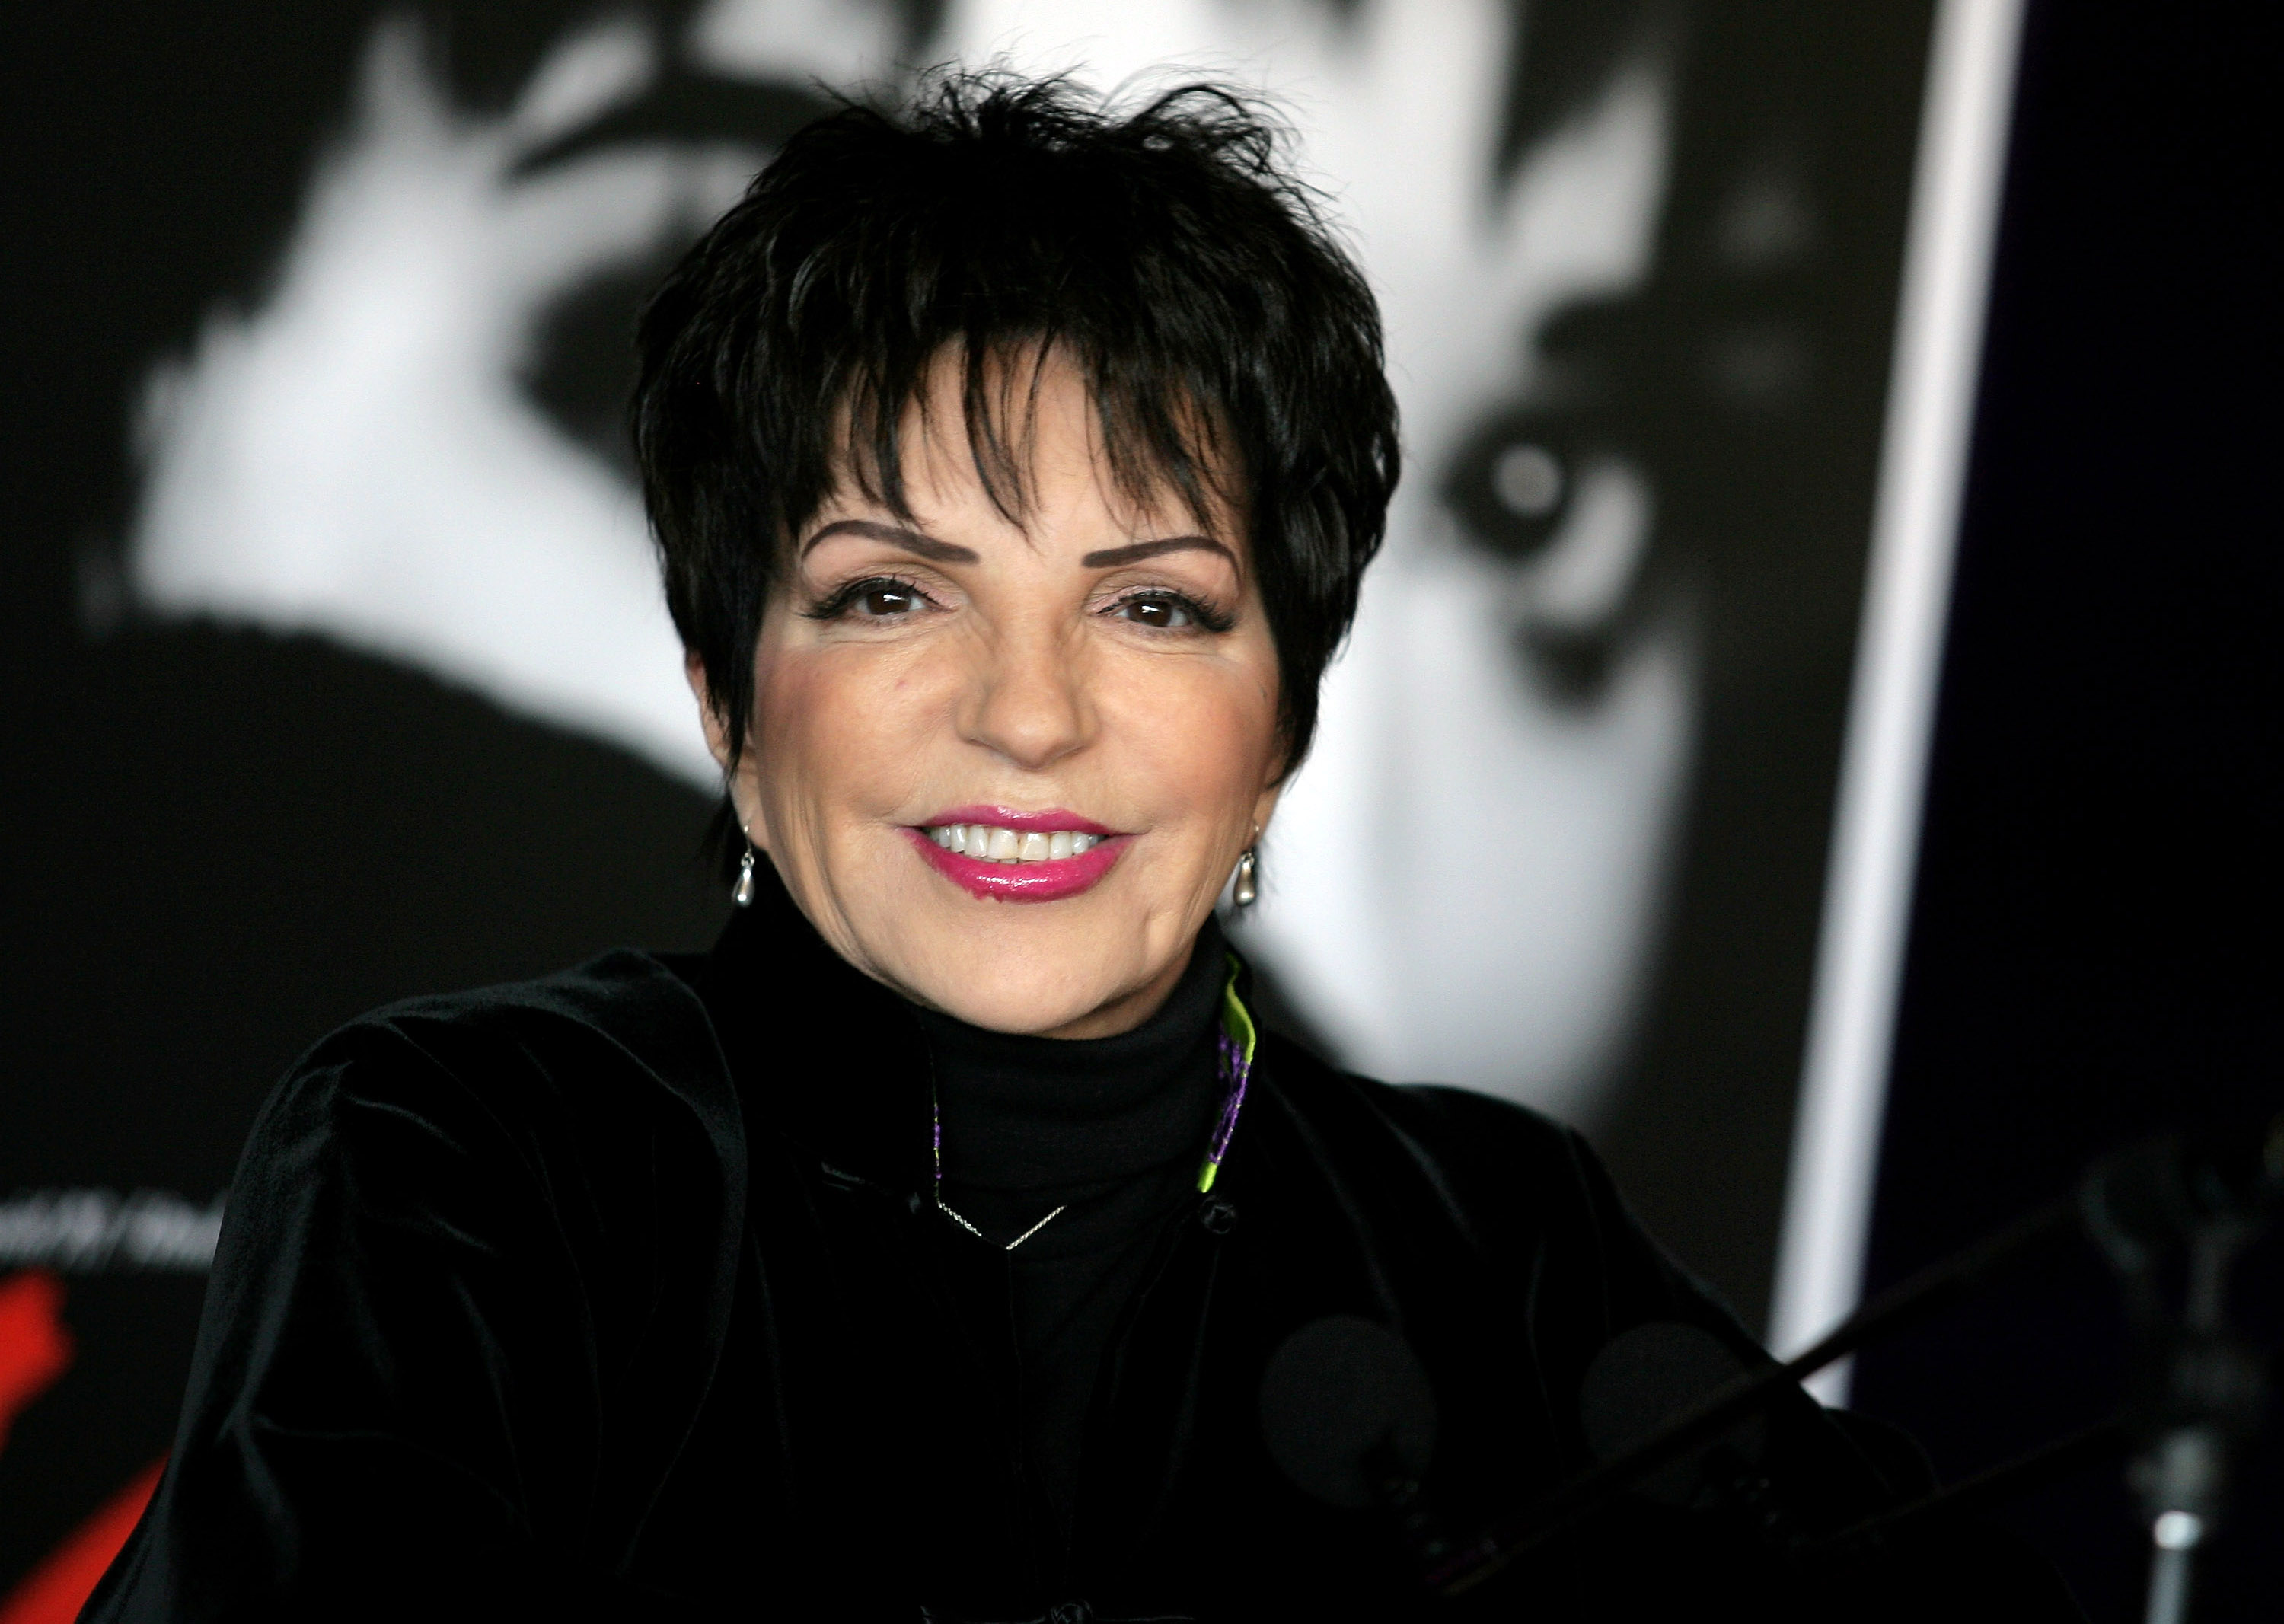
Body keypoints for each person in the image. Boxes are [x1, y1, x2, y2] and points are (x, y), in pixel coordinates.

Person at [86, 72, 2072, 1622]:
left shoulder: (1495, 1246)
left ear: (1286, 714)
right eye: (891, 595)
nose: (1028, 714)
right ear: (720, 682)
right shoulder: (468, 1162)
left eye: (1155, 606)